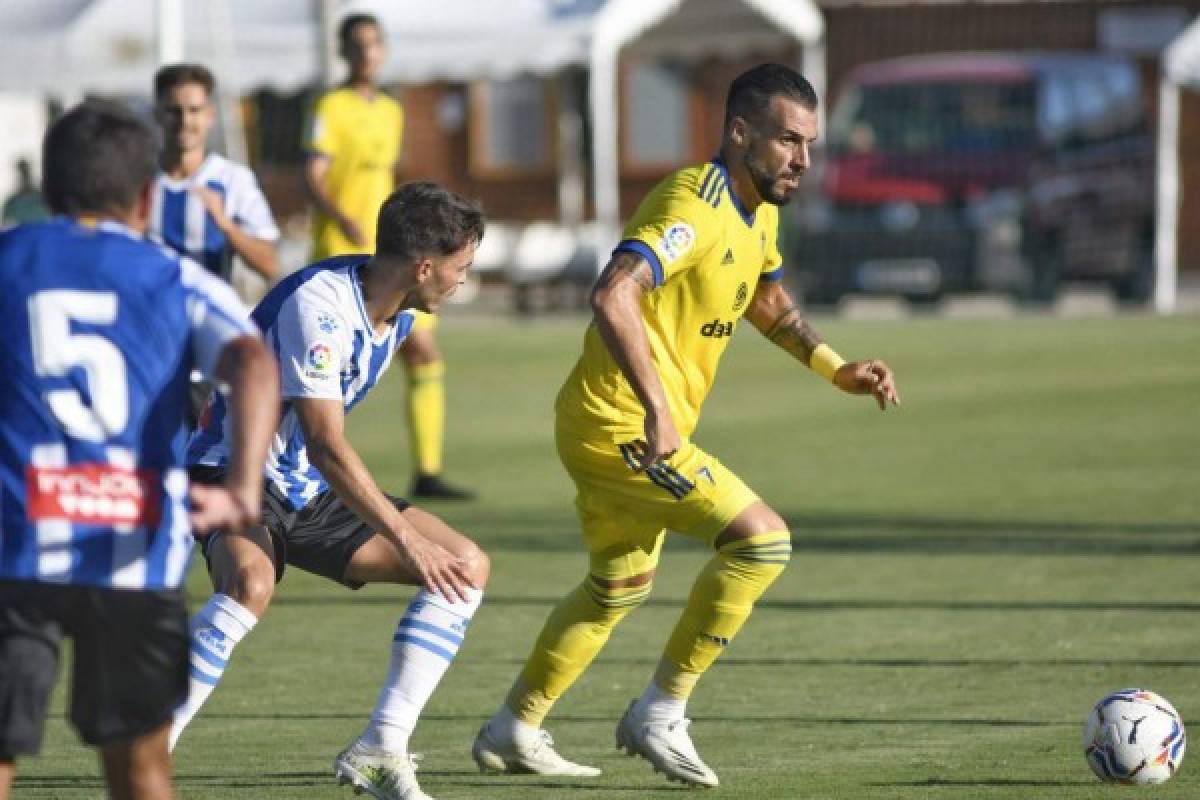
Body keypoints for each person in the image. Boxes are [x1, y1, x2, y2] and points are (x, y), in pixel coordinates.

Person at [472, 63, 901, 789]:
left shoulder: (760, 204)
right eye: (788, 141)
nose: (802, 159)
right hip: (624, 429)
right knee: (762, 542)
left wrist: (834, 367)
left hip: (607, 422)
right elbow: (612, 295)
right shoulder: (692, 203)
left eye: (810, 144)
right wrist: (659, 410)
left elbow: (762, 294)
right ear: (740, 133)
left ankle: (515, 726)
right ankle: (661, 712)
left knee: (618, 586)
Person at [173, 181, 490, 800]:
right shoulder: (320, 307)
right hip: (229, 470)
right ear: (423, 266)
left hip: (302, 485)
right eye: (461, 268)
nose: (462, 282)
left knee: (465, 568)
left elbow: (317, 454)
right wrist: (404, 538)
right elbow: (325, 441)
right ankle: (149, 748)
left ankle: (380, 748)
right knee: (250, 585)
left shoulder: (398, 315)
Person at [0, 101, 278, 800]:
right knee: (142, 770)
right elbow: (251, 361)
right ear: (147, 194)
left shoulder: (7, 260)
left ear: (50, 190)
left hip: (12, 543)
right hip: (134, 546)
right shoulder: (171, 276)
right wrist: (245, 484)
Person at [305, 12, 473, 501]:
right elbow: (312, 177)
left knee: (422, 351)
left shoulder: (390, 110)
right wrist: (341, 217)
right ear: (344, 52)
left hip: (394, 253)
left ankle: (428, 470)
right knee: (330, 368)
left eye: (374, 44)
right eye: (357, 45)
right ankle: (317, 460)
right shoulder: (329, 106)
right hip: (343, 252)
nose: (367, 53)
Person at [150, 63, 280, 284]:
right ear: (157, 114)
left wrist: (227, 226)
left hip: (203, 315)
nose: (185, 121)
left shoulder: (232, 179)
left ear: (210, 115)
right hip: (147, 315)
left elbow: (269, 266)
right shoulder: (137, 177)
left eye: (194, 110)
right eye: (174, 111)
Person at [1, 158, 49, 227]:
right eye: (22, 172)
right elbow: (5, 225)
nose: (24, 175)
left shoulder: (43, 198)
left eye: (25, 171)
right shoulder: (13, 202)